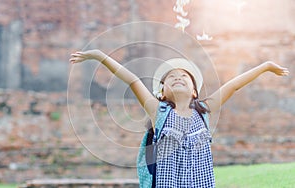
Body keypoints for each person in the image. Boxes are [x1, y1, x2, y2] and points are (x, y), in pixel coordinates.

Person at [69, 50, 289, 187]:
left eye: (184, 76)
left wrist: (265, 67)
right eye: (171, 78)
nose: (177, 78)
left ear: (194, 91)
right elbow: (132, 79)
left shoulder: (203, 110)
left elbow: (233, 86)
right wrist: (99, 56)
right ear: (162, 93)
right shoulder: (158, 110)